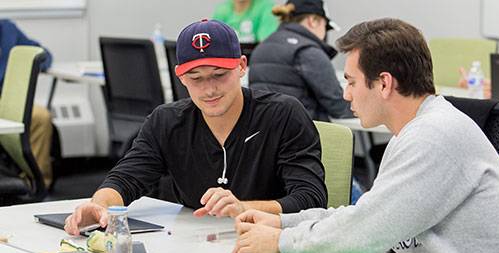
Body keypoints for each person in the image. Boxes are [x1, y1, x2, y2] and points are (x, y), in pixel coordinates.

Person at [234, 18, 499, 253]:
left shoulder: (434, 136)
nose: (345, 93)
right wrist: (282, 223)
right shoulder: (413, 132)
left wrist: (279, 242)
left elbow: (366, 233)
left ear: (383, 84)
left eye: (351, 81)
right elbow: (366, 214)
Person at [64, 19, 327, 236]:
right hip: (196, 244)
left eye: (219, 75)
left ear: (242, 66)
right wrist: (98, 206)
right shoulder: (167, 121)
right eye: (195, 78)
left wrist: (242, 207)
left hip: (271, 244)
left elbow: (311, 198)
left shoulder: (282, 115)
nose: (209, 89)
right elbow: (125, 179)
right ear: (180, 76)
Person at [248, 0, 350, 122]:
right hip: (303, 136)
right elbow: (337, 106)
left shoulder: (261, 48)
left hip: (265, 135)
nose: (325, 35)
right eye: (325, 27)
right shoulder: (308, 51)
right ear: (313, 21)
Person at [0, 19, 53, 188]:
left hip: (7, 101)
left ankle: (35, 183)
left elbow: (43, 54)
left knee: (40, 117)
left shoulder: (7, 29)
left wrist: (28, 67)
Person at [213, 0, 278, 43]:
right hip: (230, 60)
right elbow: (215, 43)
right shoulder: (222, 10)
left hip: (254, 60)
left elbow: (266, 43)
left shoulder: (266, 8)